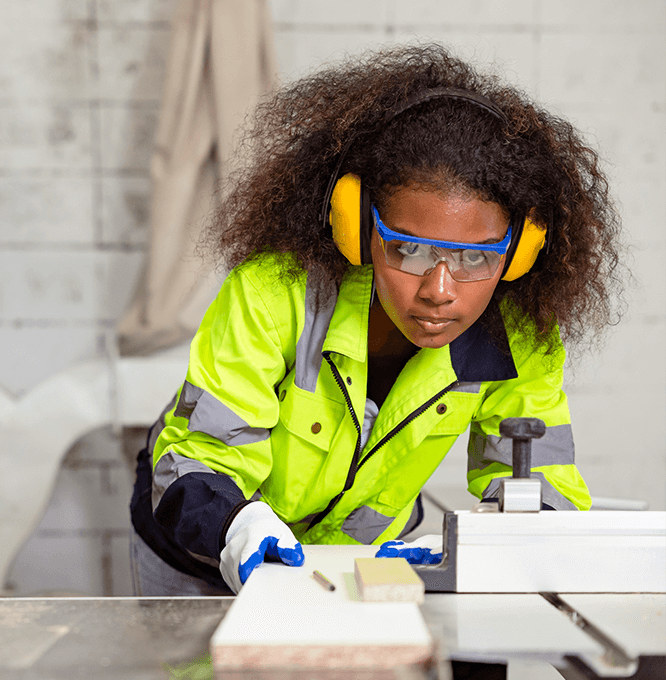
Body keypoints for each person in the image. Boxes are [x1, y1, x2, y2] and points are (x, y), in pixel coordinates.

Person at [129, 43, 627, 597]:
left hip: (358, 562)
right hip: (199, 551)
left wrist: (484, 539)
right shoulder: (275, 296)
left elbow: (542, 485)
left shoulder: (520, 338)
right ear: (356, 226)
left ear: (521, 252)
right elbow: (197, 460)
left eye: (476, 257)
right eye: (410, 250)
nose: (440, 291)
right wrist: (236, 525)